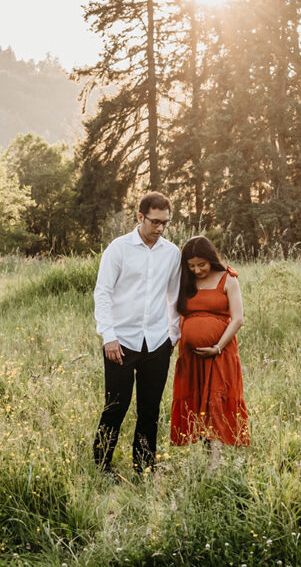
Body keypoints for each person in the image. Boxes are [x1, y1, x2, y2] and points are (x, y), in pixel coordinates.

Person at [91, 191, 180, 476]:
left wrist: (172, 336)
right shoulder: (118, 250)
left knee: (150, 411)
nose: (160, 228)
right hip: (121, 343)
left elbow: (174, 298)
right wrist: (108, 336)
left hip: (156, 342)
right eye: (155, 222)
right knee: (115, 408)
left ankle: (143, 468)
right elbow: (102, 293)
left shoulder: (171, 253)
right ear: (140, 217)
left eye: (165, 222)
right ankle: (101, 467)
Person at [169, 234, 249, 464]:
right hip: (191, 358)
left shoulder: (228, 279)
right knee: (198, 404)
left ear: (210, 259)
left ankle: (216, 461)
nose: (196, 270)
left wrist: (217, 347)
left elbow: (238, 319)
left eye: (201, 264)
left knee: (216, 403)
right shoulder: (185, 281)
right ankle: (207, 459)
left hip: (219, 354)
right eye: (191, 265)